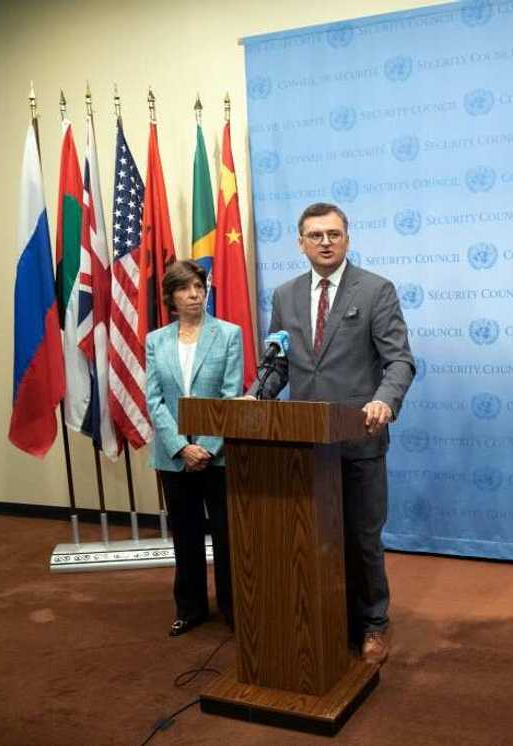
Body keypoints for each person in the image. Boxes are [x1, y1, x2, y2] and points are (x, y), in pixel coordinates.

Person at [248, 202, 415, 665]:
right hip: (304, 446)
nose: (325, 242)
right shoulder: (284, 296)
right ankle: (324, 617)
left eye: (334, 234)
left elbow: (399, 360)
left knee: (362, 538)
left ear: (347, 238)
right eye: (315, 235)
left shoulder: (376, 290)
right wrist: (255, 397)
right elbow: (278, 362)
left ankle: (374, 623)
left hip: (359, 437)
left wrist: (384, 400)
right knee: (313, 539)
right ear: (300, 242)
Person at [146, 259, 243, 637]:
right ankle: (190, 608)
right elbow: (154, 399)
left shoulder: (229, 334)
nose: (194, 294)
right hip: (173, 457)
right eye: (185, 288)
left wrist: (205, 447)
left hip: (216, 456)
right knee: (185, 535)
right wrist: (180, 447)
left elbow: (231, 395)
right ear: (171, 296)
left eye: (199, 287)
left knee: (226, 535)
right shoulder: (157, 340)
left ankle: (234, 607)